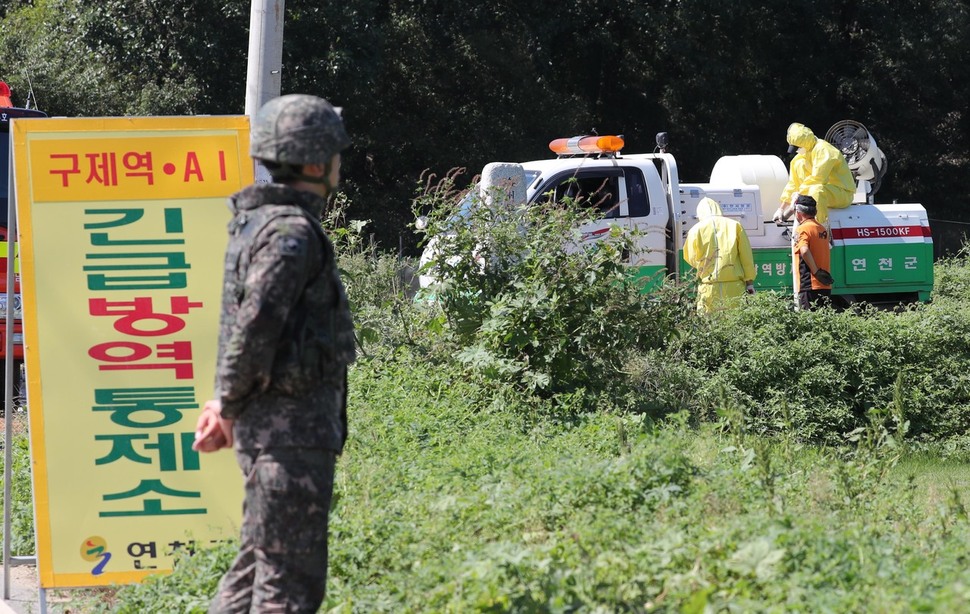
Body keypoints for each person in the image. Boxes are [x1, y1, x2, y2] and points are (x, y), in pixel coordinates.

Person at [192, 93, 356, 613]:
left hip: (278, 437)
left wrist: (228, 402)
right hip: (290, 439)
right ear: (314, 163)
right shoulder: (290, 232)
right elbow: (255, 327)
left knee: (253, 573)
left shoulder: (259, 223)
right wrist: (226, 404)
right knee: (287, 586)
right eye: (334, 152)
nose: (338, 163)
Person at [683, 197, 757, 313]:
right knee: (736, 325)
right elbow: (746, 256)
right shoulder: (735, 226)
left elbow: (690, 257)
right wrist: (749, 282)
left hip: (708, 288)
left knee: (709, 326)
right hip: (734, 287)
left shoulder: (695, 230)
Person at [773, 122, 856, 225]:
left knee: (816, 190)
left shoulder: (824, 150)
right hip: (817, 193)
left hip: (842, 193)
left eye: (798, 147)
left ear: (805, 142)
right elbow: (793, 184)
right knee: (800, 168)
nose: (797, 151)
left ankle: (820, 227)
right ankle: (805, 225)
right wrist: (781, 209)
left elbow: (818, 179)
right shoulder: (799, 159)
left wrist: (799, 195)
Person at [792, 194, 834, 310]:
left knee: (809, 323)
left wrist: (816, 271)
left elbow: (804, 250)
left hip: (809, 283)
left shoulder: (802, 228)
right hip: (824, 283)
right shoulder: (821, 229)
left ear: (798, 212)